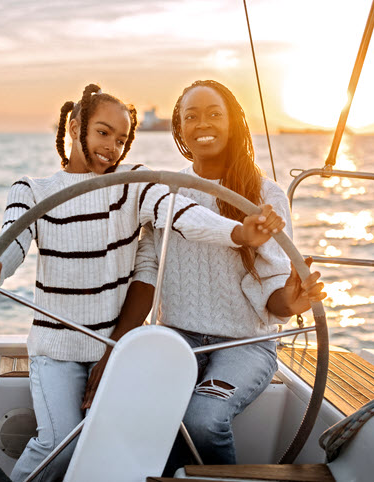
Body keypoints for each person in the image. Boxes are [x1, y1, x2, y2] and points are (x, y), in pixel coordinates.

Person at [0, 83, 285, 482]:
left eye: (121, 140)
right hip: (57, 349)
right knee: (58, 444)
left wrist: (238, 234)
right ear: (75, 125)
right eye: (102, 132)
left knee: (129, 436)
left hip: (118, 345)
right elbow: (12, 241)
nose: (111, 147)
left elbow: (178, 212)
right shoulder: (31, 190)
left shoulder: (133, 181)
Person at [82, 79, 326, 472]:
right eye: (190, 116)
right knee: (137, 407)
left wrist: (292, 300)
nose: (202, 123)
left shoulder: (264, 195)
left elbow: (276, 294)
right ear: (179, 128)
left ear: (233, 123)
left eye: (214, 114)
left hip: (246, 344)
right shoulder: (165, 192)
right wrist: (117, 343)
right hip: (179, 336)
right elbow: (146, 272)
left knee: (202, 419)